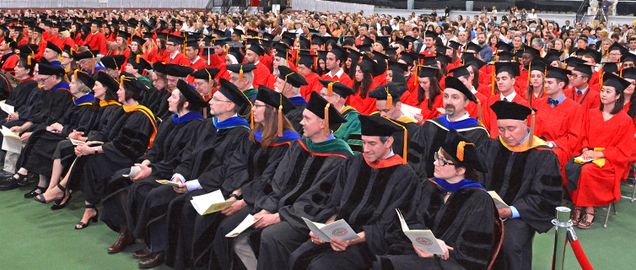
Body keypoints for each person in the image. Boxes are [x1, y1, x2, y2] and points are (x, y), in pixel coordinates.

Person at [212, 91, 353, 270]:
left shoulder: (340, 157)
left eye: (307, 119)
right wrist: (266, 209)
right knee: (236, 230)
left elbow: (320, 200)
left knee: (271, 236)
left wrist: (278, 216)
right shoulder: (299, 146)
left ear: (322, 123)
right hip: (282, 210)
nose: (300, 123)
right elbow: (278, 184)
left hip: (306, 218)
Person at [165, 86, 301, 269]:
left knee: (224, 229)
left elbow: (269, 179)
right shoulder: (255, 135)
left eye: (257, 106)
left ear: (272, 111)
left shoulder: (287, 143)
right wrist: (234, 193)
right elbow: (238, 166)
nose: (252, 110)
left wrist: (242, 199)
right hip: (241, 192)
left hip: (262, 199)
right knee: (202, 214)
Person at [127, 78, 251, 269]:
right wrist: (179, 176)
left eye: (216, 99)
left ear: (230, 105)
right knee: (157, 194)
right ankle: (162, 250)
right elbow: (189, 155)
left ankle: (181, 260)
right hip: (189, 182)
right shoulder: (209, 125)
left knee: (180, 204)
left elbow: (227, 169)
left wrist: (193, 184)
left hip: (214, 187)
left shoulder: (241, 133)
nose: (210, 102)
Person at [288, 114, 419, 270]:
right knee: (296, 257)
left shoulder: (404, 176)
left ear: (389, 142)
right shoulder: (353, 163)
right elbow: (335, 203)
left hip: (369, 243)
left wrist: (351, 240)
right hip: (339, 232)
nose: (366, 149)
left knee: (321, 266)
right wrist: (323, 230)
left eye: (372, 143)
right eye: (363, 142)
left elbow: (390, 224)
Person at [101, 79, 207, 254]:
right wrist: (145, 163)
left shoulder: (197, 127)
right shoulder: (170, 121)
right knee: (120, 179)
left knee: (143, 190)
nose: (168, 100)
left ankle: (156, 246)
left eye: (173, 97)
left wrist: (152, 170)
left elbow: (184, 160)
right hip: (156, 167)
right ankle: (127, 231)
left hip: (173, 174)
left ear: (186, 103)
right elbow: (155, 149)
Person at [374, 130, 501, 270]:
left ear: (460, 170)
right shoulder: (427, 186)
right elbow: (406, 221)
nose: (435, 162)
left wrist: (440, 249)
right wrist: (422, 243)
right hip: (416, 253)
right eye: (437, 156)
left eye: (443, 161)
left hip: (451, 263)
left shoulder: (479, 200)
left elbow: (474, 251)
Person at [478, 101, 562, 270]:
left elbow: (545, 196)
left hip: (521, 215)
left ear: (526, 124)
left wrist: (511, 211)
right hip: (487, 209)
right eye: (501, 129)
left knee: (510, 243)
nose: (506, 135)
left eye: (511, 128)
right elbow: (477, 177)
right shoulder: (492, 146)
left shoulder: (543, 155)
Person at [72, 75, 157, 230]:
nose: (117, 92)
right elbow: (108, 136)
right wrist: (88, 144)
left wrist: (93, 149)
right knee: (87, 158)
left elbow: (126, 146)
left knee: (93, 160)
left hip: (129, 158)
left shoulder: (140, 116)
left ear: (130, 92)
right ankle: (88, 207)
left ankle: (89, 206)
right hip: (115, 152)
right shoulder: (122, 111)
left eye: (121, 89)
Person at [568, 72, 635, 229]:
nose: (603, 94)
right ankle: (579, 205)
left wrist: (600, 154)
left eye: (608, 92)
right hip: (587, 154)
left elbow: (625, 149)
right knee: (574, 165)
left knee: (587, 170)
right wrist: (584, 149)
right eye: (603, 90)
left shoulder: (625, 120)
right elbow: (582, 135)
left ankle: (586, 208)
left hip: (610, 161)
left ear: (618, 96)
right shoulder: (591, 114)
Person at [420, 76, 490, 179]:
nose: (448, 102)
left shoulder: (478, 133)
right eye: (446, 96)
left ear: (466, 102)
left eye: (455, 97)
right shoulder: (431, 126)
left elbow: (478, 173)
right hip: (429, 188)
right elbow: (418, 161)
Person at [369, 82, 426, 179]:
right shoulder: (374, 122)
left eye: (386, 110)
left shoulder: (412, 129)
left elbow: (416, 166)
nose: (382, 115)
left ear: (398, 105)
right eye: (379, 110)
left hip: (400, 179)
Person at [534, 66, 583, 171]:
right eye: (545, 82)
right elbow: (531, 125)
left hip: (559, 149)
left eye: (550, 83)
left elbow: (574, 137)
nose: (546, 85)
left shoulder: (574, 108)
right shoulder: (539, 103)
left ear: (561, 85)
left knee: (545, 156)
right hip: (537, 144)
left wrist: (552, 144)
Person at [481, 62, 530, 138]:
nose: (500, 82)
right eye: (498, 79)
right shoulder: (490, 102)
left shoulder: (523, 104)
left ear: (513, 81)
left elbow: (526, 130)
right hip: (493, 146)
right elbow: (484, 126)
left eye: (504, 78)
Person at [319, 79, 362, 152]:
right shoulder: (319, 114)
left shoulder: (355, 120)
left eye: (323, 95)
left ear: (337, 98)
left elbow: (354, 151)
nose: (319, 98)